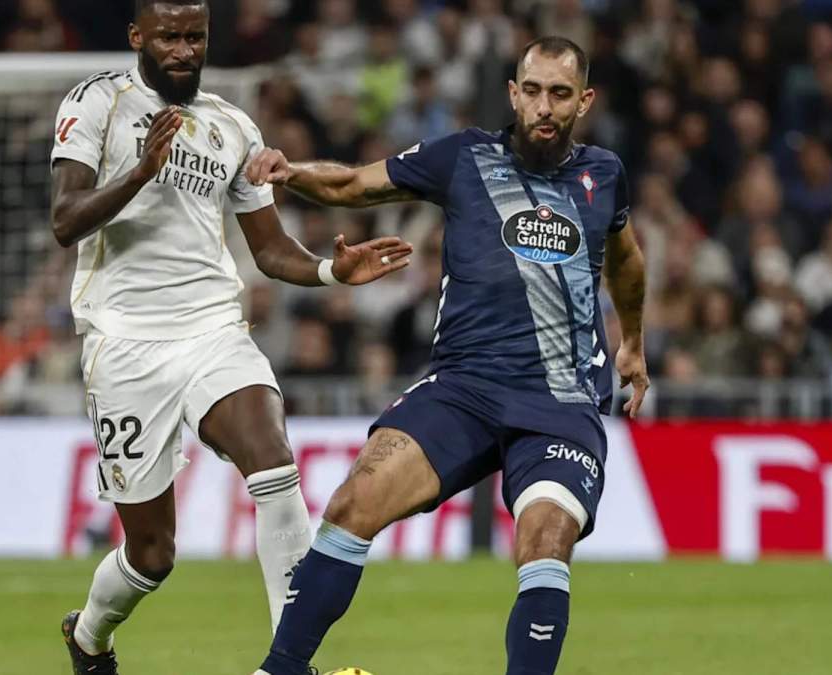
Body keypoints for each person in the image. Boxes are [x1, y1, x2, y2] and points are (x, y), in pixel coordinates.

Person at [246, 36, 649, 675]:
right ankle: (282, 669)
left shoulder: (604, 174)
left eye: (561, 94)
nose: (545, 106)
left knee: (544, 541)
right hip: (462, 387)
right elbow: (354, 184)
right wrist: (292, 173)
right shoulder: (464, 156)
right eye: (534, 90)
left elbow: (626, 260)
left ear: (584, 102)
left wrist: (632, 340)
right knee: (354, 502)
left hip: (560, 400)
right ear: (514, 93)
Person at [48, 1, 412, 673]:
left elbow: (271, 251)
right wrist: (137, 173)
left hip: (212, 328)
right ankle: (89, 634)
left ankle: (288, 661)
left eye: (196, 37)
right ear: (138, 38)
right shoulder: (96, 104)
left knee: (274, 463)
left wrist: (334, 268)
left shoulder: (230, 126)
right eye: (170, 37)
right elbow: (65, 220)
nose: (185, 50)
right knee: (152, 556)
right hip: (123, 344)